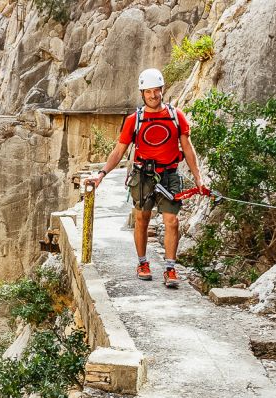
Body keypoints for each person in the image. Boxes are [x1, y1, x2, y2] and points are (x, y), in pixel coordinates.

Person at [86, 68, 205, 287]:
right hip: (143, 176)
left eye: (156, 91)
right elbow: (119, 150)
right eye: (148, 92)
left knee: (172, 221)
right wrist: (102, 174)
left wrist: (198, 177)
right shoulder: (135, 120)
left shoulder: (176, 116)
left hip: (169, 174)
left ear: (162, 91)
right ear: (142, 94)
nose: (152, 95)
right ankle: (142, 263)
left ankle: (170, 268)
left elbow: (188, 148)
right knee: (142, 219)